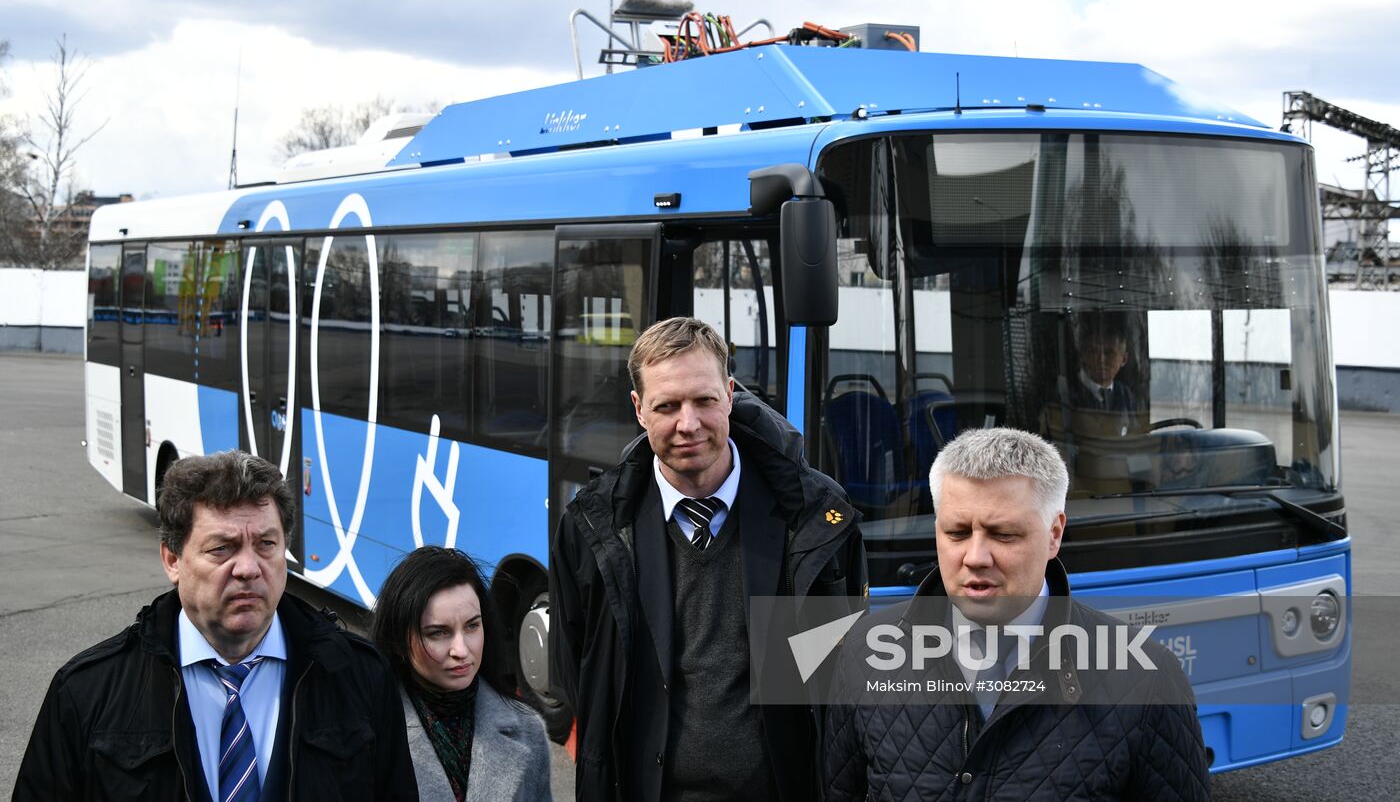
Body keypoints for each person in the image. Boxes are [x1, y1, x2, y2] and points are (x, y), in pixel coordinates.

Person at [549, 316, 868, 802]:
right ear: (639, 409)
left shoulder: (812, 519)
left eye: (704, 401)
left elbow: (842, 672)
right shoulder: (591, 526)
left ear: (730, 394)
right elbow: (578, 673)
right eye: (667, 406)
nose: (688, 424)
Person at [822, 428, 1210, 801]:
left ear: (1054, 534)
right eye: (957, 533)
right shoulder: (863, 653)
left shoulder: (1149, 679)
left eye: (1004, 534)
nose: (975, 557)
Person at [14, 450, 417, 801]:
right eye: (222, 548)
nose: (248, 568)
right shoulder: (86, 691)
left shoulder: (361, 675)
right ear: (172, 560)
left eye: (266, 544)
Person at [371, 546, 551, 802]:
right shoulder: (367, 733)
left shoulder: (527, 728)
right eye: (438, 632)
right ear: (400, 641)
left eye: (472, 626)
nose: (462, 650)